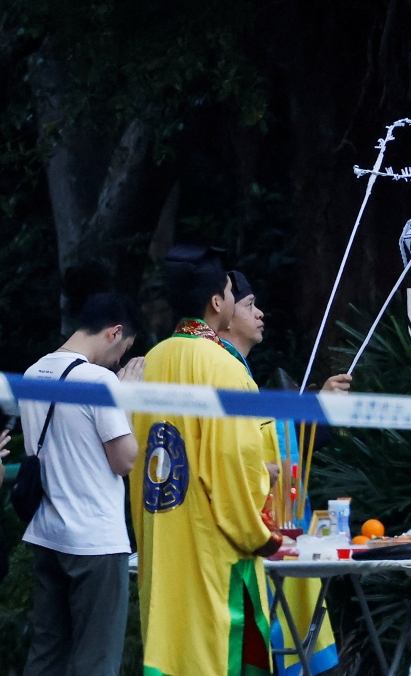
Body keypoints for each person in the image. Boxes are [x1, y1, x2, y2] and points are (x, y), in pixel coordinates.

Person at [130, 244, 281, 676]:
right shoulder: (224, 367)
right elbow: (234, 462)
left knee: (168, 649)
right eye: (232, 293)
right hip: (212, 547)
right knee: (217, 653)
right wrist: (260, 529)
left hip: (161, 537)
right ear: (217, 303)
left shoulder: (151, 361)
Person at [217, 270, 343, 675]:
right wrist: (314, 410)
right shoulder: (217, 368)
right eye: (250, 305)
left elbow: (268, 435)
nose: (260, 313)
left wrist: (315, 408)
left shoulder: (239, 371)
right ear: (222, 309)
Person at [20, 292, 145, 676]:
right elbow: (124, 460)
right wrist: (127, 398)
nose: (119, 361)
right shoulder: (98, 380)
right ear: (114, 333)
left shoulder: (31, 373)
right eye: (123, 350)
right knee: (96, 660)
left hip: (46, 533)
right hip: (95, 541)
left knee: (47, 653)